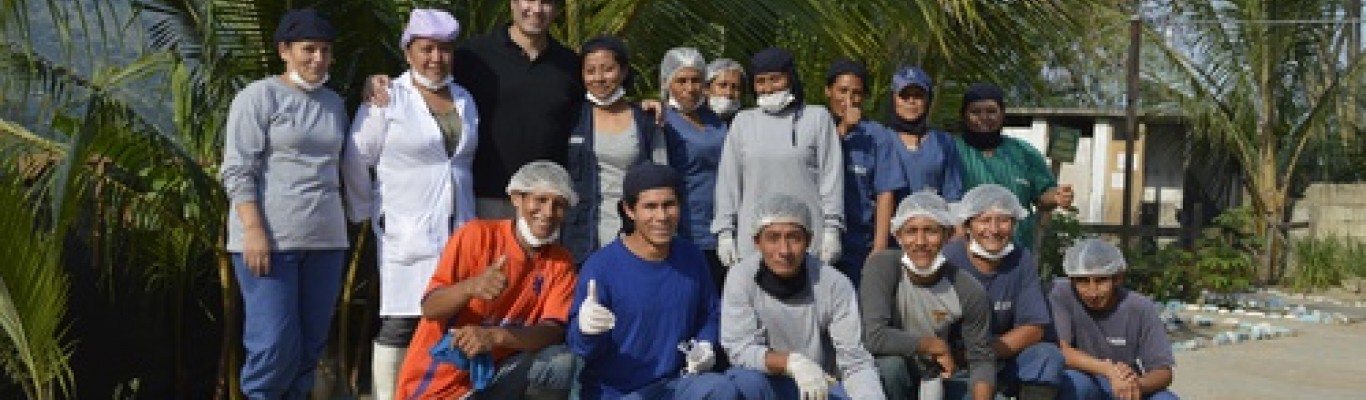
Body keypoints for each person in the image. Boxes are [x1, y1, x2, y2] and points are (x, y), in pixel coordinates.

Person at [340, 10, 478, 399]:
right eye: (426, 49)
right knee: (402, 319)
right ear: (408, 52)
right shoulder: (387, 98)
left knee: (453, 316)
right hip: (406, 225)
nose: (436, 58)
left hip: (459, 228)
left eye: (444, 49)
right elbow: (355, 158)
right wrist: (365, 212)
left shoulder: (464, 99)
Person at [218, 9, 349, 399]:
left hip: (326, 241)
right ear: (284, 51)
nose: (318, 59)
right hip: (270, 243)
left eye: (325, 50)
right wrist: (253, 229)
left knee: (309, 347)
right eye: (308, 49)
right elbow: (237, 169)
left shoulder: (334, 104)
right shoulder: (258, 97)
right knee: (273, 345)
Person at [367, 0, 582, 219]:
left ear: (556, 8)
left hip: (546, 204)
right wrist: (378, 84)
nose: (536, 9)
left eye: (546, 2)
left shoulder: (571, 64)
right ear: (512, 3)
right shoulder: (474, 55)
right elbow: (426, 78)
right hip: (484, 202)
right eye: (529, 0)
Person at [393, 161, 579, 400]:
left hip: (499, 376)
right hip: (441, 384)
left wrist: (494, 336)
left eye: (559, 205)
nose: (548, 212)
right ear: (516, 198)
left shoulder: (561, 261)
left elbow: (552, 331)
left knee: (560, 362)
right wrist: (470, 287)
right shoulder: (476, 235)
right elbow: (430, 308)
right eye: (540, 200)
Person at [568, 163, 738, 399]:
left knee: (722, 389)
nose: (662, 216)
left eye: (669, 205)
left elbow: (709, 313)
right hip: (618, 392)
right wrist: (586, 331)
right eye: (650, 207)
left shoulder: (691, 257)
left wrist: (705, 343)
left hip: (676, 385)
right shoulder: (601, 267)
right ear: (629, 210)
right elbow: (581, 348)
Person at [720, 194, 885, 400]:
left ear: (809, 241)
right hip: (767, 382)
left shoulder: (834, 284)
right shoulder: (741, 278)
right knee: (744, 382)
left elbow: (855, 361)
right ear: (757, 242)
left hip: (820, 384)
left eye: (794, 238)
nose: (784, 250)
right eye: (773, 238)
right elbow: (739, 348)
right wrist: (791, 363)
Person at [712, 47, 844, 269]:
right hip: (753, 243)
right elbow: (728, 183)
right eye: (760, 81)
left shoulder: (817, 118)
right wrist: (725, 233)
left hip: (807, 241)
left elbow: (832, 179)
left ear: (790, 78)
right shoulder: (743, 122)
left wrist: (833, 229)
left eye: (775, 79)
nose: (768, 88)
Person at [860, 192, 994, 400]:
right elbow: (873, 337)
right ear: (898, 235)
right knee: (892, 367)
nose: (920, 242)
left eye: (931, 231)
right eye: (911, 231)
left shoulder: (968, 288)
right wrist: (933, 345)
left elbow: (981, 358)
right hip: (890, 375)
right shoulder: (882, 266)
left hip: (938, 376)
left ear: (948, 235)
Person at [942, 184, 1065, 400]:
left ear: (1014, 224)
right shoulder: (948, 260)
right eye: (984, 220)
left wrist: (985, 354)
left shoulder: (1021, 259)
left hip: (1001, 355)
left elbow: (1034, 327)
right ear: (967, 225)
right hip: (956, 365)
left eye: (1003, 220)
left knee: (1047, 356)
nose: (994, 229)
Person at [562, 36, 665, 263]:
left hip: (633, 233)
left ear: (624, 71)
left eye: (608, 69)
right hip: (581, 236)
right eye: (590, 71)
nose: (599, 78)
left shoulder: (645, 121)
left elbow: (661, 180)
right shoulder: (571, 118)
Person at [1049, 239, 1179, 400]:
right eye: (1082, 281)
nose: (1092, 292)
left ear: (1118, 278)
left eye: (1101, 280)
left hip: (1125, 384)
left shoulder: (1140, 307)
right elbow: (1062, 350)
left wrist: (1136, 385)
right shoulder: (1061, 294)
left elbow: (1163, 371)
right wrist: (1108, 370)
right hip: (1085, 381)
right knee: (1075, 384)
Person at [952, 83, 1072, 248]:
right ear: (964, 116)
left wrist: (1056, 197)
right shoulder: (949, 151)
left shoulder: (1024, 153)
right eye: (975, 112)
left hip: (1016, 252)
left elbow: (1042, 196)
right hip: (964, 254)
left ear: (1002, 114)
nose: (983, 118)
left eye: (991, 111)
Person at [824, 58, 907, 285]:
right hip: (820, 239)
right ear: (828, 91)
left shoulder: (877, 135)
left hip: (860, 243)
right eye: (842, 91)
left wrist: (879, 249)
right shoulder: (815, 128)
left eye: (857, 93)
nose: (849, 99)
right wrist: (844, 129)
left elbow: (885, 193)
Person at [658, 47, 731, 289]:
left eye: (696, 80)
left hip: (721, 224)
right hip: (687, 227)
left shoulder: (715, 120)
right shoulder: (662, 120)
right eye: (681, 81)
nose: (689, 88)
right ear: (667, 83)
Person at [886, 65, 963, 202]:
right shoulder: (881, 139)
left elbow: (953, 196)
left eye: (918, 96)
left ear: (928, 100)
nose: (911, 101)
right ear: (893, 99)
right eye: (904, 95)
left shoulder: (944, 142)